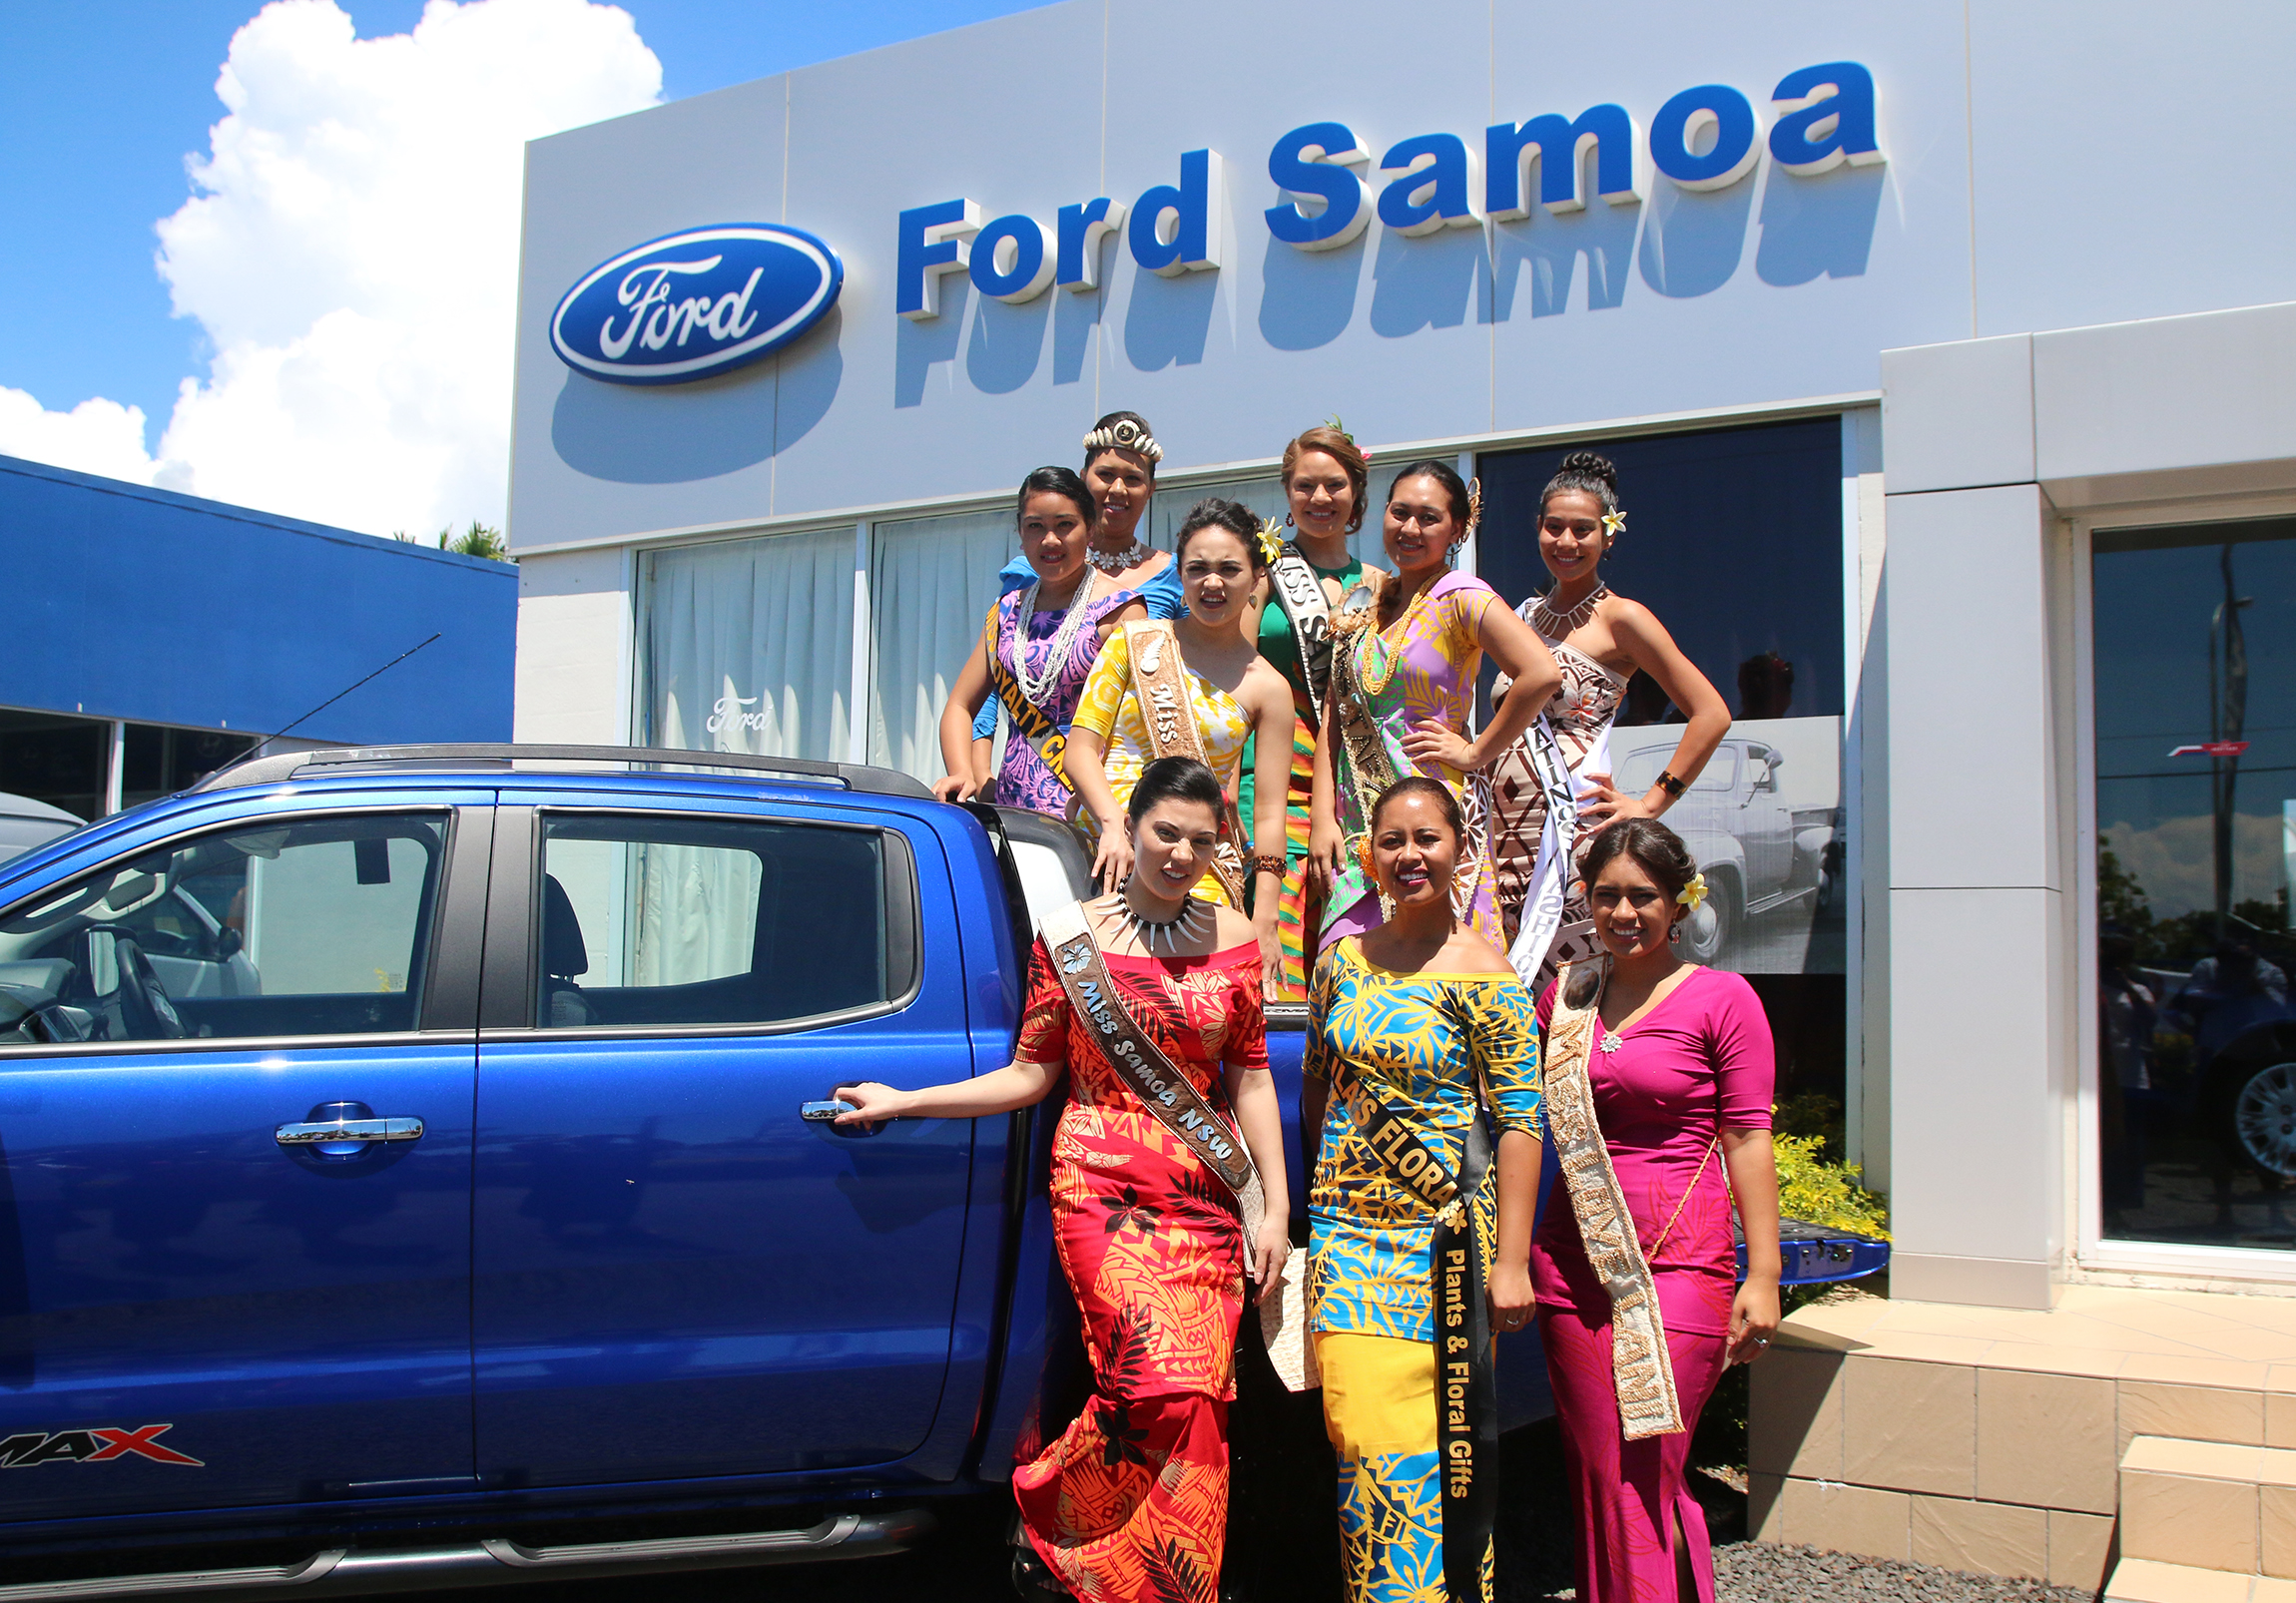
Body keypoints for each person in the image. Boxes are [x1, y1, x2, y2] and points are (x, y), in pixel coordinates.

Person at [836, 758, 1291, 1603]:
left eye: (1201, 840)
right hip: (1105, 1194)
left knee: (1197, 1404)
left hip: (1209, 1200)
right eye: (1166, 832)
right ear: (1132, 826)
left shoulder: (1234, 941)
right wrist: (908, 1100)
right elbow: (1029, 1074)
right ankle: (1053, 1504)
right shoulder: (1069, 937)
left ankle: (1170, 1584)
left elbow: (1253, 1076)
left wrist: (1276, 1207)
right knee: (1153, 1384)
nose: (1181, 853)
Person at [1301, 776, 1543, 1603]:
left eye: (1427, 839)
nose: (1410, 856)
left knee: (1445, 1447)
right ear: (1369, 855)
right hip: (1347, 1245)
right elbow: (1315, 1093)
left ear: (1458, 849)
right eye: (1393, 841)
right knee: (1365, 1444)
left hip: (1445, 1248)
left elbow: (1519, 1123)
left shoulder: (1488, 976)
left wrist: (1510, 1264)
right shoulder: (1339, 965)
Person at [1531, 818, 1780, 1603]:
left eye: (1644, 896)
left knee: (1645, 1466)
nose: (1624, 913)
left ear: (1679, 904)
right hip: (1571, 1270)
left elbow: (1746, 1139)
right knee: (1601, 1472)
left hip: (1680, 1265)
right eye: (1606, 896)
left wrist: (1765, 1272)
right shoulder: (1564, 1001)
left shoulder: (1722, 999)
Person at [1486, 451, 1730, 994]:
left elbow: (1711, 713)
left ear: (1608, 538)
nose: (1566, 542)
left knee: (1567, 988)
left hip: (1572, 831)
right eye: (1554, 527)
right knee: (1505, 988)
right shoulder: (1520, 617)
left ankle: (1576, 1082)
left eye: (1583, 530)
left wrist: (1650, 803)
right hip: (1500, 837)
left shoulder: (1623, 618)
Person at [1309, 459, 1560, 951]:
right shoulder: (1365, 598)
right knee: (1349, 968)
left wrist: (1475, 752)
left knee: (1439, 967)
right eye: (1399, 512)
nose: (1410, 528)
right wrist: (1323, 816)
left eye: (1428, 517)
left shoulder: (1460, 596)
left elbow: (1541, 673)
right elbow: (1333, 721)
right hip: (1359, 822)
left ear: (1458, 529)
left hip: (1430, 816)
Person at [1067, 500, 1296, 995]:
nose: (1212, 583)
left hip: (1192, 865)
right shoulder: (1135, 640)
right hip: (1101, 852)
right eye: (1197, 569)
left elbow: (1271, 815)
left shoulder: (1270, 688)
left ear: (1257, 574)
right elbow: (1080, 751)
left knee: (1196, 1002)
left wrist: (1267, 917)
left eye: (1230, 569)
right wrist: (1114, 825)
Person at [960, 412, 1187, 796]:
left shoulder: (1178, 575)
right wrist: (978, 774)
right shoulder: (1032, 572)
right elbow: (996, 678)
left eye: (1133, 479)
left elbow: (1177, 689)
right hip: (1023, 782)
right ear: (1084, 480)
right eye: (1106, 474)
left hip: (1121, 785)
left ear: (1151, 490)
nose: (1118, 489)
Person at [1245, 423, 1387, 1001]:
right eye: (1306, 486)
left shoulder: (1380, 584)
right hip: (1273, 760)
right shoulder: (1260, 575)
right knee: (1271, 903)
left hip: (1350, 763)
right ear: (1287, 491)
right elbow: (1234, 668)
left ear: (1356, 492)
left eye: (1334, 485)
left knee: (1344, 898)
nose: (1320, 499)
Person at [932, 465, 1146, 810]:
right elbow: (959, 706)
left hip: (1094, 815)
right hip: (1014, 817)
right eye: (1036, 527)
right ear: (1020, 533)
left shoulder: (1121, 611)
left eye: (1065, 525)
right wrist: (964, 772)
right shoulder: (1004, 614)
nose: (1050, 540)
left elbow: (1145, 720)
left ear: (1090, 529)